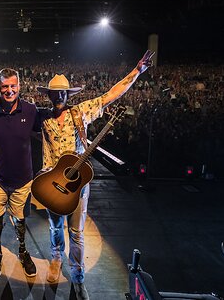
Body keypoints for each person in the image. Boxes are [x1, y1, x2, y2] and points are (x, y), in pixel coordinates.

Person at [36, 50, 154, 300]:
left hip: (77, 185)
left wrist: (136, 72)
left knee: (76, 233)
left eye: (62, 93)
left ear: (68, 95)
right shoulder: (42, 117)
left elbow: (110, 96)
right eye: (54, 93)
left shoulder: (80, 113)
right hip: (50, 183)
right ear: (48, 95)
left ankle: (78, 278)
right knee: (56, 227)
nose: (58, 96)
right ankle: (56, 259)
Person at [0, 67, 41, 279]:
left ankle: (22, 251)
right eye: (5, 86)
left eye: (13, 86)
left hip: (23, 180)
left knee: (20, 219)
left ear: (19, 86)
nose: (9, 90)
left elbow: (49, 129)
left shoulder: (31, 110)